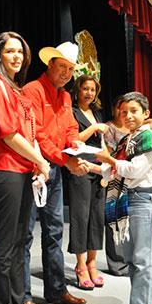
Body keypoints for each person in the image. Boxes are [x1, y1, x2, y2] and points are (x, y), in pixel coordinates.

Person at [0, 31, 51, 304]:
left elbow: (29, 132)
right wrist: (42, 161)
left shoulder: (17, 89)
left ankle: (18, 299)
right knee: (7, 242)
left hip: (24, 170)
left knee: (21, 240)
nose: (17, 56)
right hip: (5, 169)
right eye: (10, 51)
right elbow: (9, 135)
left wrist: (37, 163)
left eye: (20, 52)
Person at [22, 41, 89, 304]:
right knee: (25, 234)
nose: (66, 73)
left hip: (55, 171)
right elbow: (36, 135)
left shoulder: (65, 96)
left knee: (54, 232)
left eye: (70, 69)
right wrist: (66, 160)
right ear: (50, 65)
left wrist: (74, 144)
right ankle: (24, 296)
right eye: (62, 67)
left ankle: (56, 290)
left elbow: (70, 127)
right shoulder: (32, 91)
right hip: (32, 170)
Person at [93, 91, 152, 304]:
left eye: (134, 111)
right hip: (128, 201)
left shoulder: (149, 136)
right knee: (134, 262)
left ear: (146, 113)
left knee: (144, 262)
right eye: (123, 112)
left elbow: (135, 170)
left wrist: (108, 160)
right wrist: (95, 167)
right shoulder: (128, 139)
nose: (128, 116)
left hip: (144, 199)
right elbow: (115, 172)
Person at [67, 74, 108, 290]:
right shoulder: (72, 112)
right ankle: (80, 265)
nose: (89, 93)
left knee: (97, 218)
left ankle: (93, 263)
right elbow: (72, 140)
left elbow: (102, 143)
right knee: (80, 217)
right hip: (80, 167)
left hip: (99, 169)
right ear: (78, 90)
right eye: (85, 89)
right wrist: (93, 128)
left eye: (93, 89)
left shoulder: (97, 113)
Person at [104, 94, 130, 277]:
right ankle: (117, 264)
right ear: (114, 109)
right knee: (114, 221)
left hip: (131, 179)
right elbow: (108, 154)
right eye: (121, 110)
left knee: (128, 221)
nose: (125, 114)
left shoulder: (133, 128)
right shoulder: (109, 128)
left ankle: (129, 261)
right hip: (114, 178)